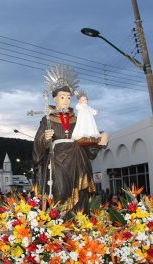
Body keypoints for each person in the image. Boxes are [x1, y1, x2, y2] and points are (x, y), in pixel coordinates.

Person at [33, 65, 109, 216]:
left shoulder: (78, 118)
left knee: (80, 196)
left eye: (69, 97)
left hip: (78, 161)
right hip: (57, 162)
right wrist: (44, 138)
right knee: (60, 191)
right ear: (55, 98)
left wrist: (101, 137)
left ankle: (79, 224)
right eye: (62, 97)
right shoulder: (47, 118)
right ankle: (58, 223)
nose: (66, 101)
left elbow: (87, 136)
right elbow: (37, 145)